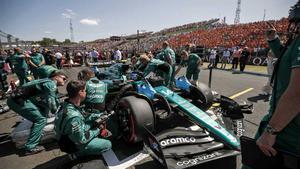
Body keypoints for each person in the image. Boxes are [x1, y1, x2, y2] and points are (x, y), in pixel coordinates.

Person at [242, 1, 300, 168]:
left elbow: (297, 93)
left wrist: (271, 130)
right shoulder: (295, 43)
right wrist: (273, 39)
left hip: (288, 130)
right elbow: (285, 57)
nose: (293, 27)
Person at [7, 71, 67, 155]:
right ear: (56, 77)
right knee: (41, 120)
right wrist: (58, 113)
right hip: (18, 101)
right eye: (64, 78)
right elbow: (52, 102)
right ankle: (30, 147)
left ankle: (34, 134)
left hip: (17, 99)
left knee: (43, 111)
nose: (65, 80)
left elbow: (42, 99)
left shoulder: (45, 81)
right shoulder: (51, 83)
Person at [54, 80, 112, 157]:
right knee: (108, 144)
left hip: (66, 135)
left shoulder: (66, 104)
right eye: (85, 91)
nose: (86, 93)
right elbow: (81, 139)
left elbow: (84, 115)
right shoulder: (74, 117)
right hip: (72, 144)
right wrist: (98, 129)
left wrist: (99, 116)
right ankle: (77, 153)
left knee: (93, 123)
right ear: (80, 92)